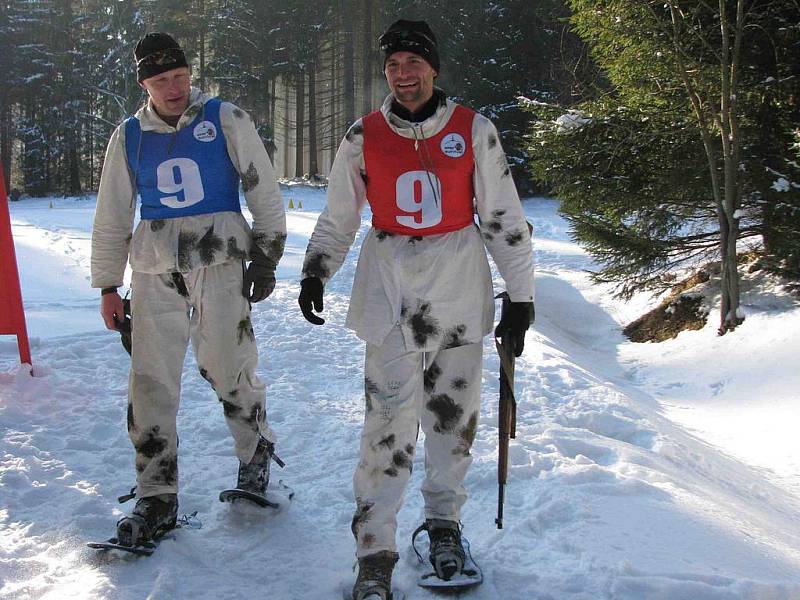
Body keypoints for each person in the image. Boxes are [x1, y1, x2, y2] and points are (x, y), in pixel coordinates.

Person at [298, 19, 534, 600]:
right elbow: (339, 216)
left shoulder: (473, 130)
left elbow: (503, 217)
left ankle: (444, 527)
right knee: (388, 424)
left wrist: (522, 296)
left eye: (414, 63)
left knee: (452, 422)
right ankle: (374, 550)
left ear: (433, 67)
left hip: (458, 286)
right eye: (393, 66)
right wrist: (315, 270)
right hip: (390, 291)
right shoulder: (363, 135)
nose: (404, 75)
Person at [91, 32, 286, 547]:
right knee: (150, 381)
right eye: (160, 81)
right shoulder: (130, 135)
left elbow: (263, 187)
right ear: (144, 84)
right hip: (154, 269)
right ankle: (156, 492)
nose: (173, 88)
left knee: (229, 362)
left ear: (189, 75)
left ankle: (255, 456)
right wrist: (109, 284)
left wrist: (266, 255)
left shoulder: (224, 118)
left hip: (218, 260)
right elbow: (112, 214)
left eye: (179, 77)